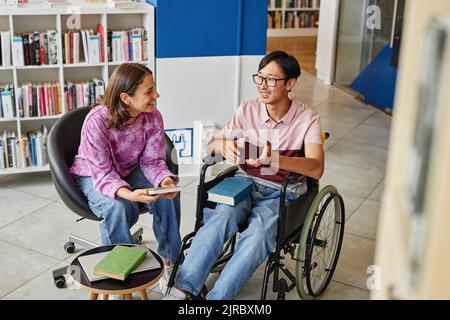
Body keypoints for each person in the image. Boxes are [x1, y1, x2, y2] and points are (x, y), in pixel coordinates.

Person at [164, 51, 324, 300]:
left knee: (258, 234)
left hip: (283, 191)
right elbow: (211, 146)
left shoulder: (308, 119)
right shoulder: (247, 110)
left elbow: (316, 167)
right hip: (244, 183)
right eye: (259, 78)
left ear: (290, 83)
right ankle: (181, 289)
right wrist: (221, 145)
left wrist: (277, 160)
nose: (262, 85)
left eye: (271, 79)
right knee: (221, 217)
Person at [70, 63, 181, 290]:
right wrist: (129, 195)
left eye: (154, 89)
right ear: (126, 98)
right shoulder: (96, 122)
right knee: (118, 207)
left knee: (169, 195)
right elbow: (102, 173)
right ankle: (117, 275)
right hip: (92, 174)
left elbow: (151, 161)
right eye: (149, 91)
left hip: (129, 170)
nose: (156, 95)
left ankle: (170, 261)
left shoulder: (152, 117)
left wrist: (163, 180)